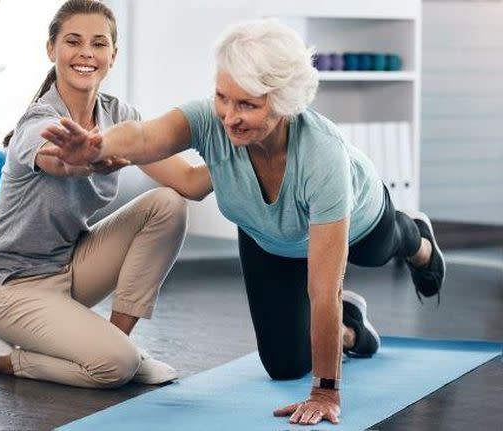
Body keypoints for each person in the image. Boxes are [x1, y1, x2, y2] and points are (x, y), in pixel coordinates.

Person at [41, 19, 445, 425]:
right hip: (268, 238)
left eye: (248, 105)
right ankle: (350, 329)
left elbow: (324, 289)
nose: (229, 116)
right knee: (285, 366)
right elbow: (147, 137)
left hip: (359, 222)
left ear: (285, 102)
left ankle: (419, 239)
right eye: (223, 97)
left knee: (382, 247)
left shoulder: (322, 156)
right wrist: (97, 146)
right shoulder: (210, 121)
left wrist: (326, 391)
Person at [0, 0, 213, 389]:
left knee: (167, 204)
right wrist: (86, 159)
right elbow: (61, 162)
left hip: (69, 268)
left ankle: (117, 341)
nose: (86, 54)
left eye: (98, 44)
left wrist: (247, 150)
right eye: (73, 42)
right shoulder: (38, 121)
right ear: (51, 49)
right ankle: (2, 358)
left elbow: (190, 183)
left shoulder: (120, 116)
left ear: (113, 54)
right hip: (8, 286)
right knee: (113, 369)